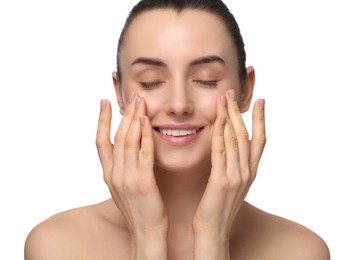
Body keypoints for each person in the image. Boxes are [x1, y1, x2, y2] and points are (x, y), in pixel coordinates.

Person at [24, 0, 330, 259]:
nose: (179, 104)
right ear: (119, 93)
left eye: (207, 79)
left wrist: (212, 239)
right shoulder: (57, 245)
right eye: (151, 81)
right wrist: (148, 239)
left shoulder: (300, 250)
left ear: (246, 90)